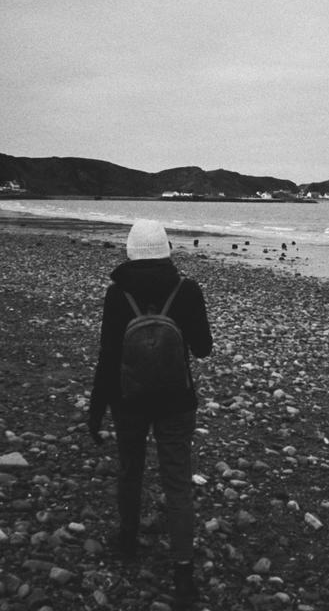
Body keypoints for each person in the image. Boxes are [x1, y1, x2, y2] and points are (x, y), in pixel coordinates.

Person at [88, 219, 213, 609]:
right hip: (177, 400)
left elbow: (108, 358)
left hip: (129, 400)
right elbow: (204, 348)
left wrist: (97, 410)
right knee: (176, 481)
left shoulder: (117, 294)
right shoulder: (187, 290)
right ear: (166, 249)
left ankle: (128, 540)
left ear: (129, 250)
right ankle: (183, 572)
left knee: (131, 468)